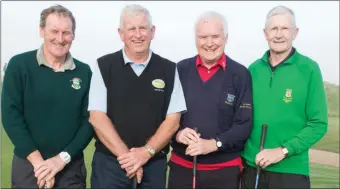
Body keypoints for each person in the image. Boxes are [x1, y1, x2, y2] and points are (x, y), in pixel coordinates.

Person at [88, 4, 186, 189]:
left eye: (143, 28)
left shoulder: (169, 70)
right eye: (131, 28)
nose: (138, 34)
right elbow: (97, 117)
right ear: (121, 33)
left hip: (153, 165)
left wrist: (145, 154)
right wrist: (129, 159)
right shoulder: (103, 66)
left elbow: (173, 121)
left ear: (152, 31)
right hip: (109, 167)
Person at [1, 4, 93, 189]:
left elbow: (89, 121)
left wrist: (60, 160)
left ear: (73, 35)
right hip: (28, 167)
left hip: (70, 168)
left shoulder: (84, 72)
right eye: (54, 31)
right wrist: (40, 165)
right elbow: (11, 117)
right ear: (41, 30)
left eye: (66, 32)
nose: (60, 39)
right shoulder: (19, 65)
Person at [241, 5, 328, 189]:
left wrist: (282, 151)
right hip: (252, 167)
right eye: (274, 29)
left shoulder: (309, 69)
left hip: (291, 172)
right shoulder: (253, 69)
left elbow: (318, 124)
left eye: (285, 28)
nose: (278, 34)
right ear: (265, 33)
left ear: (295, 33)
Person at [168, 11, 253, 189]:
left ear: (226, 38)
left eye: (215, 36)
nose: (209, 43)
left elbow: (244, 124)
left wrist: (214, 144)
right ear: (195, 39)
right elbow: (166, 115)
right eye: (202, 37)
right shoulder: (180, 69)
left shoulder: (240, 74)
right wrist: (178, 133)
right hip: (182, 169)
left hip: (224, 171)